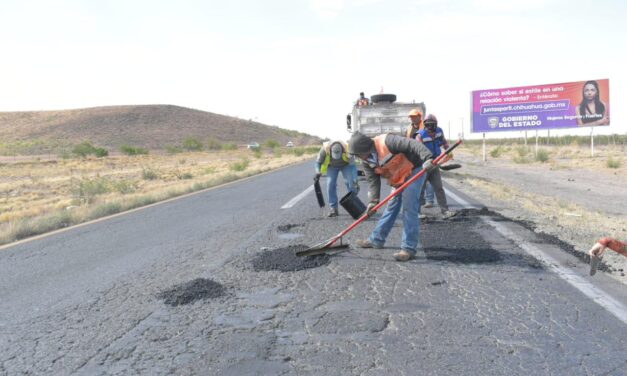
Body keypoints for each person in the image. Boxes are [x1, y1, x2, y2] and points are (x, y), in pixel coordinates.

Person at [348, 131, 434, 261]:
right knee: (391, 205)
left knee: (409, 207)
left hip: (414, 170)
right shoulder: (367, 162)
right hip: (398, 176)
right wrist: (373, 202)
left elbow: (412, 144)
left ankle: (408, 249)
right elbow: (373, 182)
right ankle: (377, 240)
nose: (359, 158)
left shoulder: (388, 141)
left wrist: (428, 158)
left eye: (358, 154)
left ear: (366, 148)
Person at [415, 114, 457, 219]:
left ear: (436, 124)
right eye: (428, 125)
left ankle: (445, 211)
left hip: (435, 164)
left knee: (439, 188)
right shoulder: (420, 135)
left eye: (432, 125)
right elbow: (417, 150)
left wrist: (448, 151)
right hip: (423, 165)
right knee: (420, 189)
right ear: (425, 125)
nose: (430, 127)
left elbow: (444, 142)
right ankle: (416, 213)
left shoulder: (439, 131)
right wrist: (425, 161)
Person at [315, 140, 359, 217]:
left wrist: (355, 179)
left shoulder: (348, 148)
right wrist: (317, 171)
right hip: (332, 166)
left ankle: (355, 206)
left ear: (342, 150)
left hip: (346, 165)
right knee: (330, 184)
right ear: (331, 149)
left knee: (351, 183)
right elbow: (317, 162)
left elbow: (352, 166)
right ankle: (333, 209)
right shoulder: (325, 149)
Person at [404, 109, 435, 207]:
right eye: (411, 117)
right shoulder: (409, 128)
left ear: (419, 117)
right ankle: (421, 200)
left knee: (427, 178)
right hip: (414, 156)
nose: (412, 119)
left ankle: (429, 200)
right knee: (419, 179)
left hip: (425, 154)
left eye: (414, 117)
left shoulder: (425, 126)